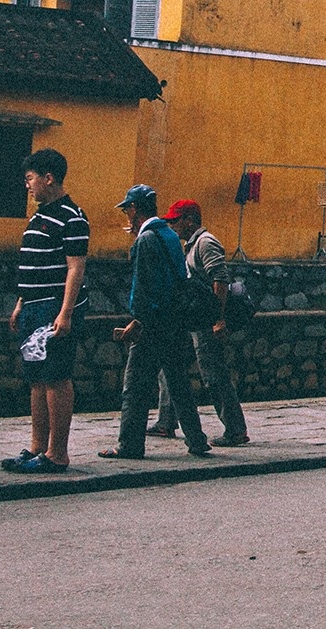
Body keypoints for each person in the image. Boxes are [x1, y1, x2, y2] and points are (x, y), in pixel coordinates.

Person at [101, 185, 210, 459]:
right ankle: (196, 439)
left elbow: (144, 287)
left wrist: (137, 322)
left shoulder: (146, 240)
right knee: (178, 383)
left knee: (135, 386)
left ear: (135, 209)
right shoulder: (169, 236)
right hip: (174, 321)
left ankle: (129, 444)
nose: (126, 215)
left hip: (154, 324)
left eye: (127, 209)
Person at [1, 149, 89, 475]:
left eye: (30, 179)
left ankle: (58, 454)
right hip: (34, 306)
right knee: (36, 379)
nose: (28, 186)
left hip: (54, 307)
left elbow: (75, 268)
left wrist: (65, 312)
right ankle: (38, 447)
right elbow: (35, 264)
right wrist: (21, 302)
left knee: (56, 376)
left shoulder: (72, 217)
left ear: (48, 177)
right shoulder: (39, 217)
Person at [146, 201, 248, 447]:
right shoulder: (190, 245)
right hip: (192, 319)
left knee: (213, 373)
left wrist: (218, 318)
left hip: (205, 321)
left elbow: (220, 279)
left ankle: (235, 429)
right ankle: (166, 422)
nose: (172, 225)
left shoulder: (205, 243)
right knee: (170, 367)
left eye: (176, 220)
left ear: (189, 220)